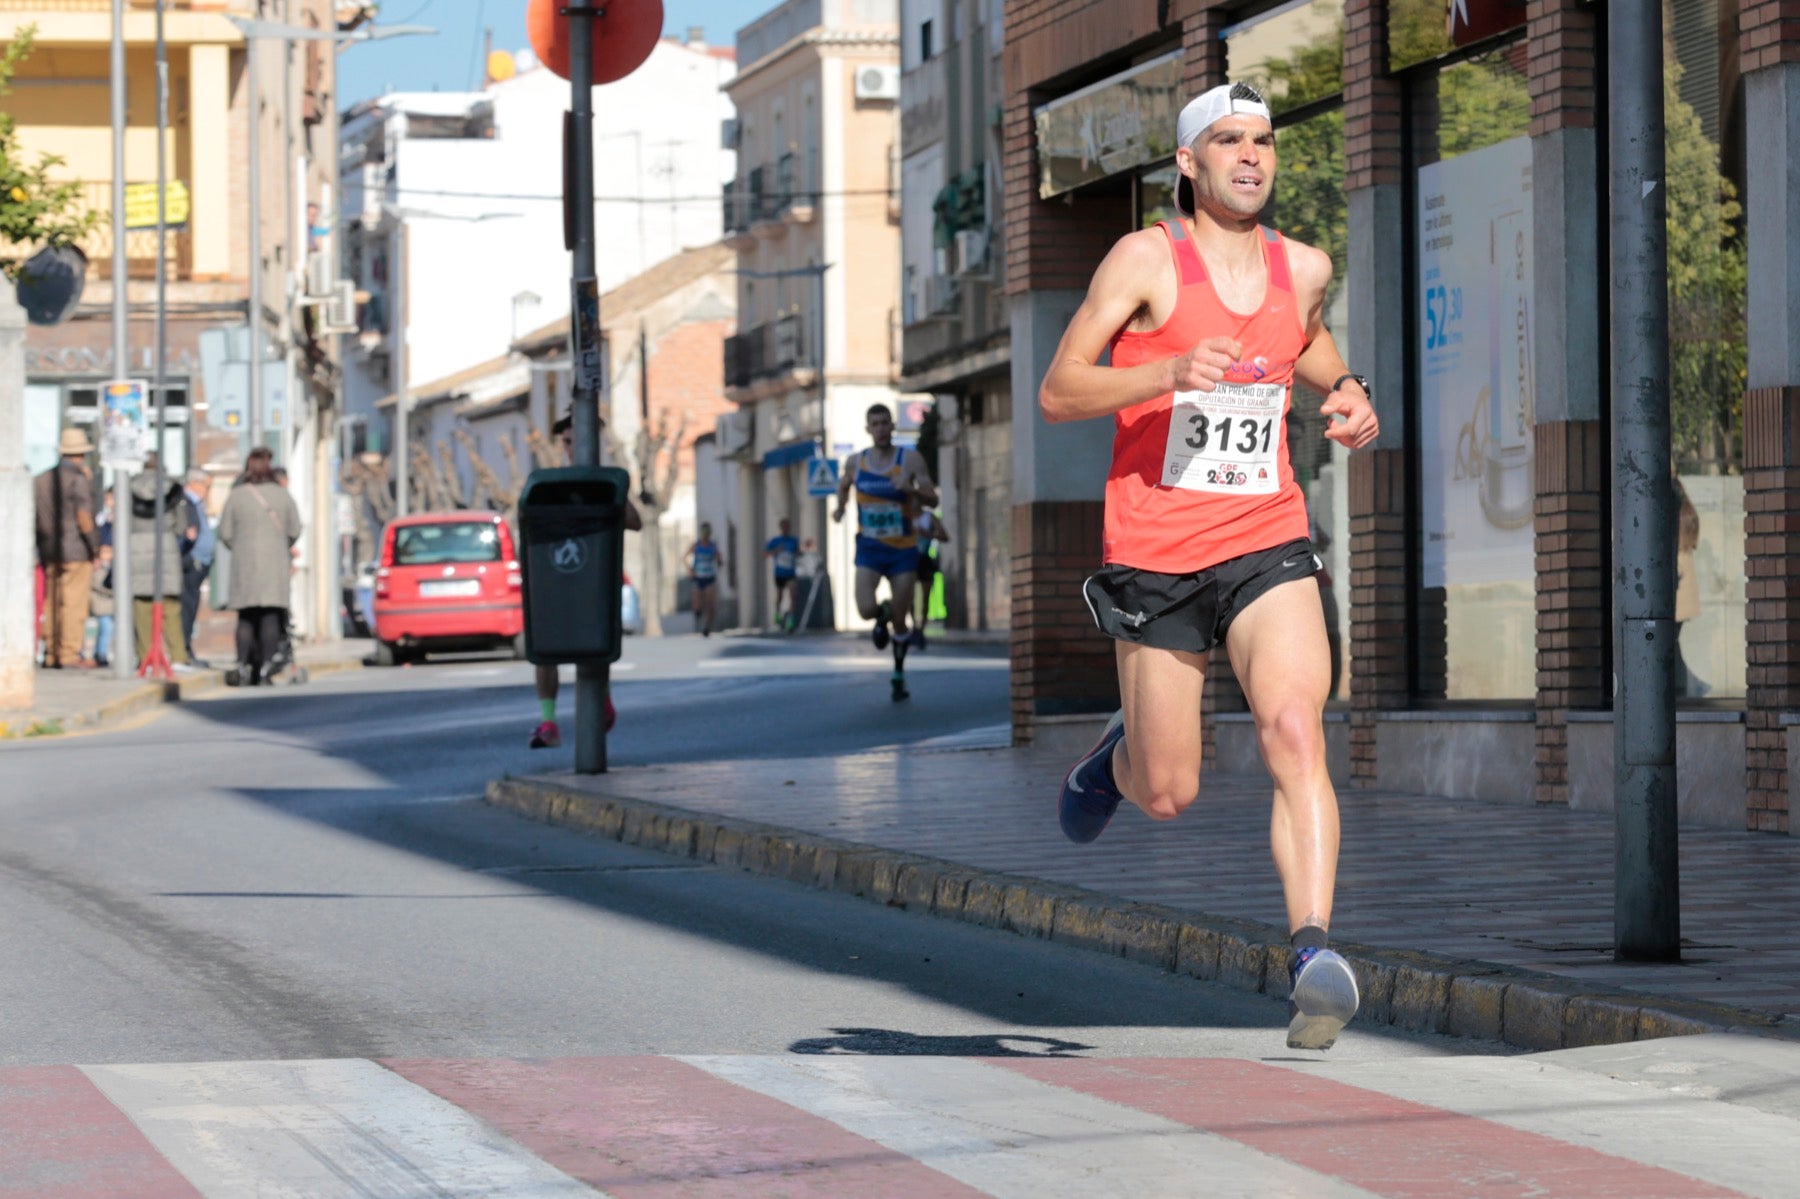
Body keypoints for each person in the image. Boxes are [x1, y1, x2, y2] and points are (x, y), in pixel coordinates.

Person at [1038, 82, 1379, 1051]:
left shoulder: (1302, 266)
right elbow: (1062, 387)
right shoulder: (1145, 258)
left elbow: (1301, 342)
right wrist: (1163, 371)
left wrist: (1349, 389)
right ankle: (1118, 756)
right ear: (1187, 161)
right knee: (1170, 788)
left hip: (1265, 533)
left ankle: (1312, 955)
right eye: (1227, 140)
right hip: (1154, 550)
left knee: (1293, 726)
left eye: (1263, 140)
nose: (1250, 155)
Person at [531, 412, 643, 749]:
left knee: (596, 646)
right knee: (544, 650)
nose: (571, 447)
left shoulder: (607, 482)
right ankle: (548, 721)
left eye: (577, 440)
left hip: (595, 583)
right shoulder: (550, 483)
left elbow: (636, 522)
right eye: (566, 441)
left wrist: (613, 499)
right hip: (557, 582)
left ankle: (603, 702)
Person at [832, 402, 940, 701]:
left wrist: (912, 490)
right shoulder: (856, 462)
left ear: (893, 426)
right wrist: (840, 508)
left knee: (901, 617)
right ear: (868, 429)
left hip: (903, 550)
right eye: (874, 424)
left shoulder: (910, 459)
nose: (880, 429)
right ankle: (880, 615)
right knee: (865, 609)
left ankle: (898, 674)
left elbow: (931, 499)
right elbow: (843, 485)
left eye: (884, 423)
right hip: (869, 547)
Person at [215, 447, 302, 686]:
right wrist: (280, 545)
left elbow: (224, 532)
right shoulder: (282, 495)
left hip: (244, 564)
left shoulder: (237, 496)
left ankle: (242, 665)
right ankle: (266, 667)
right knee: (270, 616)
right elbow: (295, 529)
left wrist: (240, 547)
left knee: (246, 616)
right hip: (274, 564)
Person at [33, 428, 99, 668]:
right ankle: (69, 653)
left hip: (49, 550)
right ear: (81, 454)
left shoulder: (41, 479)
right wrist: (95, 547)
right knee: (73, 603)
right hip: (76, 551)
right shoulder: (78, 479)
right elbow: (84, 517)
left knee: (52, 601)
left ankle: (51, 651)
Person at [126, 469, 187, 671]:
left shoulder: (127, 488)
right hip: (165, 550)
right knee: (170, 606)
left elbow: (121, 523)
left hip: (136, 550)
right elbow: (181, 527)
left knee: (142, 607)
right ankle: (177, 656)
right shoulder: (172, 489)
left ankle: (145, 656)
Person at [178, 468, 215, 666]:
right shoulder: (185, 501)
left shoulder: (196, 503)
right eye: (207, 486)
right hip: (191, 562)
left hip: (200, 562)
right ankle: (184, 650)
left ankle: (187, 649)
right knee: (186, 608)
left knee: (191, 608)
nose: (208, 491)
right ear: (195, 483)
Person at [912, 507, 951, 648]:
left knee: (925, 597)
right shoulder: (903, 512)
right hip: (907, 559)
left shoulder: (929, 517)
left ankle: (920, 629)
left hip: (924, 560)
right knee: (907, 596)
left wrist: (928, 534)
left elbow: (945, 536)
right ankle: (914, 628)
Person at [764, 517, 800, 632]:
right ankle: (778, 613)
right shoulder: (775, 541)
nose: (785, 529)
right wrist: (775, 551)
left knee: (792, 595)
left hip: (790, 573)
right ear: (780, 528)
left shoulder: (793, 540)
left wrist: (801, 552)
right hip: (779, 573)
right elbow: (764, 554)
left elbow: (797, 553)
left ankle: (790, 620)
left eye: (787, 527)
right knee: (779, 596)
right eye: (783, 527)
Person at [88, 539, 114, 668]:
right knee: (106, 630)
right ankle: (101, 653)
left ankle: (101, 652)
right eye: (105, 552)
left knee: (107, 631)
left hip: (108, 605)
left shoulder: (111, 567)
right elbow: (98, 585)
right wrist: (114, 592)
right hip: (102, 605)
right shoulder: (98, 568)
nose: (109, 555)